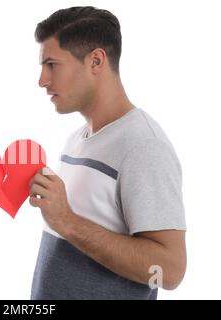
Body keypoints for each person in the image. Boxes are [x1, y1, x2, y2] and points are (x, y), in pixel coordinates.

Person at [29, 6, 187, 299]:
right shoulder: (75, 140)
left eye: (52, 64)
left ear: (96, 61)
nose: (42, 80)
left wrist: (67, 221)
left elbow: (170, 271)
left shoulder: (144, 146)